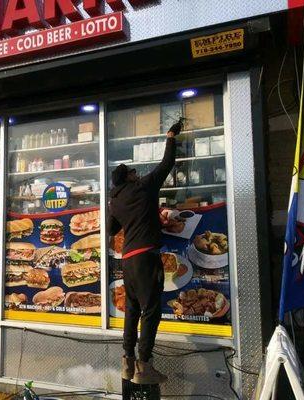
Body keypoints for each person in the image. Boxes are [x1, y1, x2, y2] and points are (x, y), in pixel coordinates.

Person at [108, 120, 183, 385]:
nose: (137, 173)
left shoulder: (115, 201)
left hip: (126, 261)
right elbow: (166, 165)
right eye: (133, 172)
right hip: (145, 257)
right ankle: (145, 365)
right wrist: (171, 136)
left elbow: (110, 229)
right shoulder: (143, 187)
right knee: (151, 310)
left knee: (132, 310)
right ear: (129, 177)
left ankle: (127, 362)